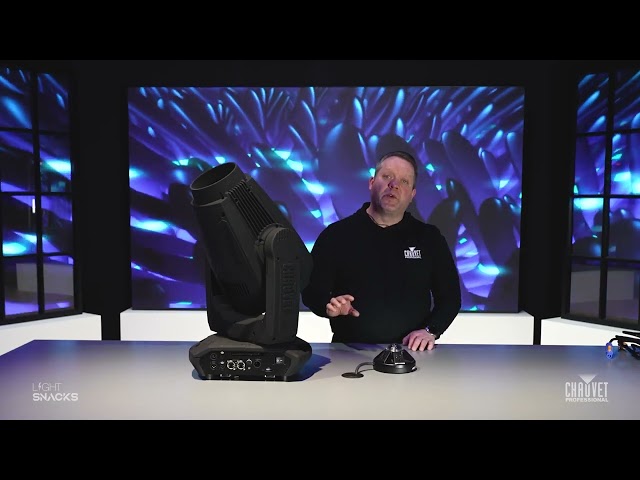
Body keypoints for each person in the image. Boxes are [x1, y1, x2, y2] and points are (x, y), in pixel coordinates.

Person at [301, 150, 462, 351]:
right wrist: (329, 305)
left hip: (412, 354)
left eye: (404, 181)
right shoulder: (336, 235)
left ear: (412, 194)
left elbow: (450, 298)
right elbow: (311, 292)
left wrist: (431, 330)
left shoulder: (429, 238)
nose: (394, 184)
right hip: (347, 353)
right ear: (371, 183)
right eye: (387, 176)